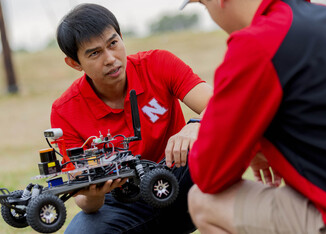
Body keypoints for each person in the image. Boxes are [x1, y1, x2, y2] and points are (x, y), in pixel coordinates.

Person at [50, 3, 213, 233]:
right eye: (95, 53)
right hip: (123, 202)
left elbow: (221, 105)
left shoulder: (158, 64)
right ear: (74, 63)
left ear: (121, 38)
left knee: (220, 135)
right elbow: (85, 202)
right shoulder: (64, 111)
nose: (110, 58)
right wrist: (94, 194)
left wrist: (196, 125)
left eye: (113, 44)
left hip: (180, 176)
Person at [181, 0, 326, 233]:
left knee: (202, 201)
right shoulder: (325, 16)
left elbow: (208, 174)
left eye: (204, 5)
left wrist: (249, 144)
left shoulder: (257, 42)